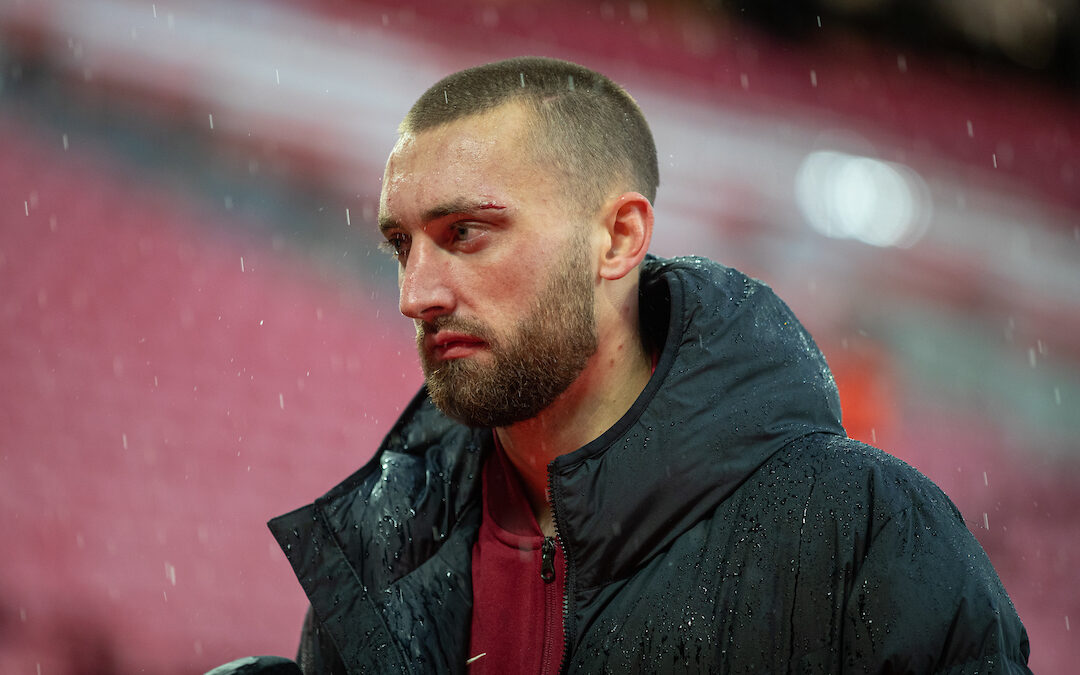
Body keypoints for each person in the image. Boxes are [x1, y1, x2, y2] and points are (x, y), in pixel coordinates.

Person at [264, 57, 1031, 673]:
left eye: (465, 232)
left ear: (618, 238)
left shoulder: (858, 525)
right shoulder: (385, 544)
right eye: (402, 246)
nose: (415, 294)